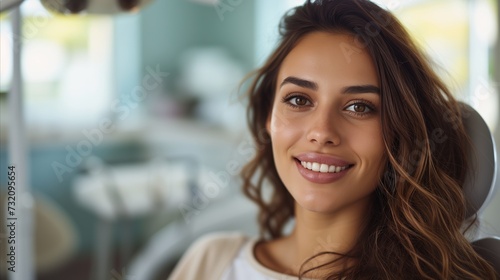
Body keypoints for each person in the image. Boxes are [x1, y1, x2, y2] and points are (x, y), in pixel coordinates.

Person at [169, 0, 499, 279]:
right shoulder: (210, 261)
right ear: (269, 118)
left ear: (401, 133)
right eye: (298, 100)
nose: (322, 132)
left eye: (359, 107)